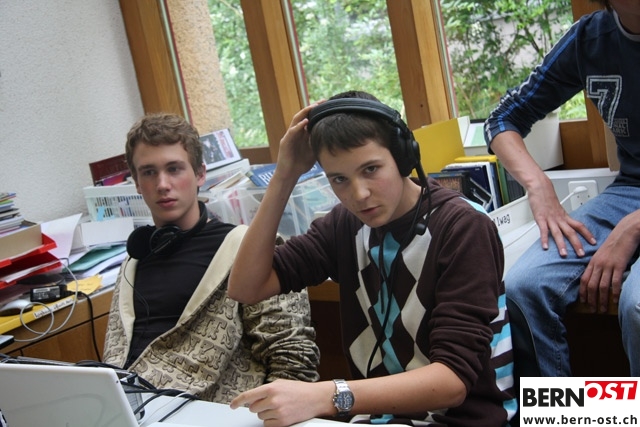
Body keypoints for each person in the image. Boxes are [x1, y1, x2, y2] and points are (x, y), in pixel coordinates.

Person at [227, 91, 516, 426]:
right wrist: (285, 174)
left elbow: (451, 382)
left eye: (371, 169)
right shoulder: (344, 225)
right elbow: (246, 287)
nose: (359, 194)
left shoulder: (463, 228)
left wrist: (326, 395)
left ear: (404, 157)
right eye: (339, 179)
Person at [102, 113, 320, 403]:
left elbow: (291, 357)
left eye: (174, 169)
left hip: (208, 410)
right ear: (137, 184)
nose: (163, 184)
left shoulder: (246, 249)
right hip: (122, 406)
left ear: (200, 174)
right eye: (149, 172)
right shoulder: (134, 260)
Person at [484, 0, 640, 377]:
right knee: (524, 287)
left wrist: (634, 226)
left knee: (636, 304)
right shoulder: (589, 39)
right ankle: (561, 408)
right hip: (630, 191)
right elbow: (502, 119)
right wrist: (538, 186)